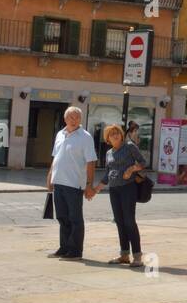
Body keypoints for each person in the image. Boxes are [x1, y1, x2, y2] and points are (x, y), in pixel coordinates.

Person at [46, 105, 98, 260]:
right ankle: (64, 247)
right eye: (71, 117)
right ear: (65, 119)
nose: (74, 120)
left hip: (74, 183)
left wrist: (89, 184)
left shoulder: (85, 137)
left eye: (77, 117)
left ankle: (75, 250)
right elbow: (55, 158)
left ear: (80, 119)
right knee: (62, 217)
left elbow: (91, 162)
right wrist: (50, 176)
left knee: (75, 218)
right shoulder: (60, 134)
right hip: (59, 181)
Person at [93, 123, 147, 266]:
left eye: (117, 132)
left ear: (121, 134)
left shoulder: (129, 146)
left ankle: (137, 256)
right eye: (112, 134)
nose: (116, 135)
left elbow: (143, 162)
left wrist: (131, 169)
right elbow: (107, 175)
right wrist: (96, 189)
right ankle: (124, 255)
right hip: (114, 190)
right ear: (108, 139)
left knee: (129, 221)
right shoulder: (109, 153)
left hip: (128, 188)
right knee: (120, 222)